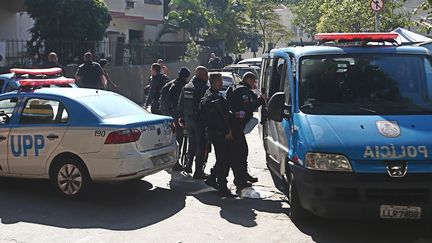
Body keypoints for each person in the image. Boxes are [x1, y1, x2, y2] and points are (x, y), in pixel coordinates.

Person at [201, 73, 237, 197]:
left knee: (222, 158)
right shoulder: (212, 98)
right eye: (220, 81)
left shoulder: (210, 95)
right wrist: (226, 132)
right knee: (223, 160)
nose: (222, 83)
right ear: (216, 82)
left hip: (217, 133)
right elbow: (217, 119)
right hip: (219, 134)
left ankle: (212, 178)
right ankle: (222, 186)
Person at [228, 72, 266, 185]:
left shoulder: (239, 88)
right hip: (235, 126)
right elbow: (248, 107)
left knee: (241, 152)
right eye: (253, 81)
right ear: (248, 80)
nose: (254, 84)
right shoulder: (243, 91)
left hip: (236, 125)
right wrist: (261, 100)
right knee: (240, 152)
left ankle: (243, 175)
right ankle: (240, 179)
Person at [177, 66, 209, 179]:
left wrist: (181, 117)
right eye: (206, 75)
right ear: (202, 75)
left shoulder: (187, 86)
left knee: (191, 143)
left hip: (188, 120)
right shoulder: (203, 87)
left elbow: (180, 104)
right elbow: (205, 106)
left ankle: (188, 165)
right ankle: (198, 171)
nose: (207, 77)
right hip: (199, 121)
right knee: (201, 145)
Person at [160, 67, 191, 171]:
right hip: (177, 117)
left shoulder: (170, 84)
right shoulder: (182, 86)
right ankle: (175, 162)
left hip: (167, 116)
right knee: (179, 140)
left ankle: (169, 161)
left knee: (170, 139)